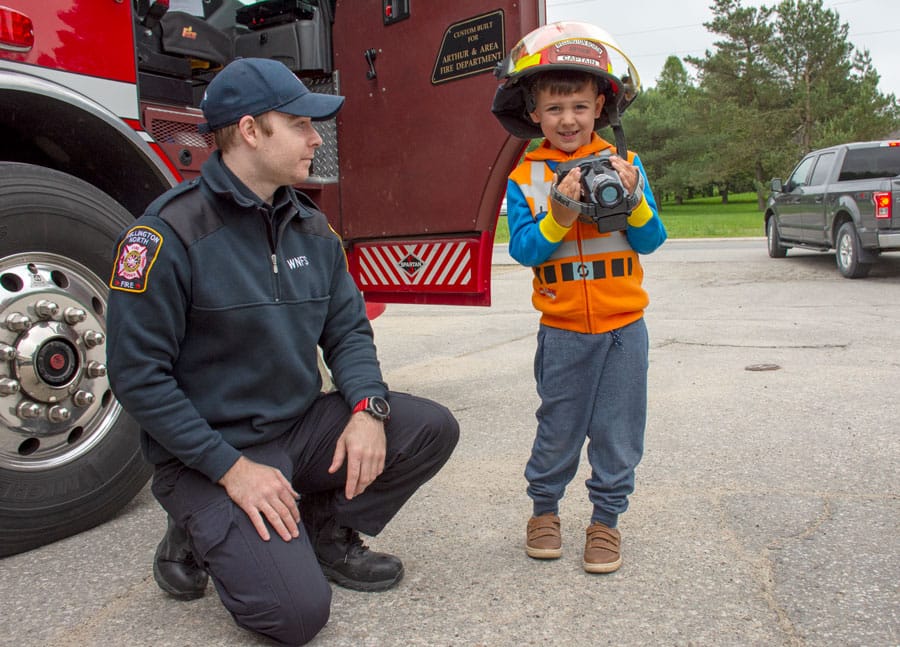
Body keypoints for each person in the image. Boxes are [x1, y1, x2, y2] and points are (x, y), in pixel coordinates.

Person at [106, 57, 459, 646]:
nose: (316, 138)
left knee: (430, 428)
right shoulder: (166, 236)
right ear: (250, 130)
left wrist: (367, 408)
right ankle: (193, 527)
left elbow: (348, 332)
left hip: (296, 431)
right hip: (209, 454)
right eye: (299, 123)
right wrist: (231, 470)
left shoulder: (313, 230)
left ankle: (324, 534)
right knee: (295, 617)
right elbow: (138, 378)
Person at [491, 22, 667, 573]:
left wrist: (633, 194)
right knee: (559, 426)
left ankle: (605, 522)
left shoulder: (626, 165)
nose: (568, 119)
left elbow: (651, 239)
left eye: (579, 106)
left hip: (622, 329)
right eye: (554, 108)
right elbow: (525, 251)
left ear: (600, 109)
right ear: (534, 115)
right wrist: (559, 213)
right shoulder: (525, 177)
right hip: (564, 329)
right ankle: (544, 510)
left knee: (618, 429)